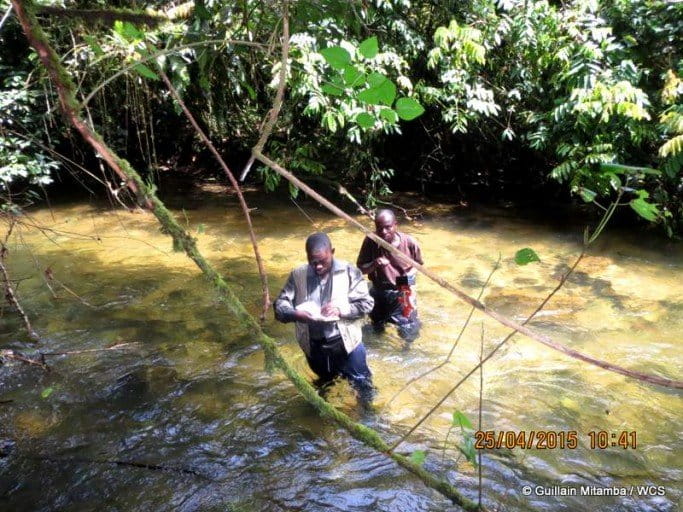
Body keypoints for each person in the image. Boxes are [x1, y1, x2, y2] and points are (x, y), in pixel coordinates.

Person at [274, 232, 375, 401]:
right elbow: (280, 306)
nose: (318, 266)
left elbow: (366, 304)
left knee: (363, 386)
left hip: (348, 346)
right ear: (307, 257)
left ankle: (367, 421)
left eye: (323, 261)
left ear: (332, 252)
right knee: (323, 387)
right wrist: (295, 314)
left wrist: (341, 310)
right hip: (314, 348)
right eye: (313, 262)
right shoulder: (298, 275)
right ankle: (325, 422)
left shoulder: (349, 271)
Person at [356, 209, 423, 341]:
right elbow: (361, 269)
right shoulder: (371, 241)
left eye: (388, 227)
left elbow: (418, 266)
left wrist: (406, 283)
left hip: (402, 293)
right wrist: (374, 264)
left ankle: (406, 354)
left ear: (395, 225)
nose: (384, 232)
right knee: (376, 330)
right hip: (378, 292)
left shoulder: (409, 242)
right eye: (379, 229)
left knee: (409, 331)